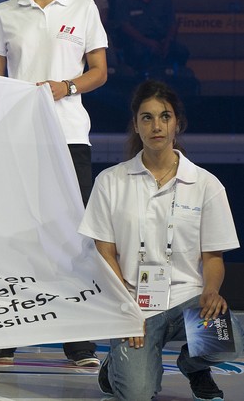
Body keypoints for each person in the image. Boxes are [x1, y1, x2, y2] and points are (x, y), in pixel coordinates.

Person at [0, 0, 107, 366]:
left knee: (72, 239)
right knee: (14, 238)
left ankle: (78, 340)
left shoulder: (83, 8)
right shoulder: (4, 12)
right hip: (17, 140)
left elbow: (99, 72)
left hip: (68, 136)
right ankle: (2, 340)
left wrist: (65, 87)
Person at [78, 80, 242, 401]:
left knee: (231, 340)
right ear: (136, 126)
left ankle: (194, 365)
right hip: (134, 304)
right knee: (137, 393)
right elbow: (104, 251)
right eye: (147, 118)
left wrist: (210, 291)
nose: (157, 126)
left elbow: (213, 257)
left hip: (187, 301)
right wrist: (125, 309)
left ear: (177, 124)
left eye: (165, 117)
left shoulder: (206, 184)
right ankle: (117, 366)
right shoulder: (111, 181)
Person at [114, 0, 189, 74]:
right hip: (137, 42)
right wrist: (147, 42)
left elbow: (172, 24)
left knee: (182, 51)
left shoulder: (164, 0)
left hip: (162, 41)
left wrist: (168, 42)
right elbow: (125, 26)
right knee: (140, 53)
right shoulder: (124, 0)